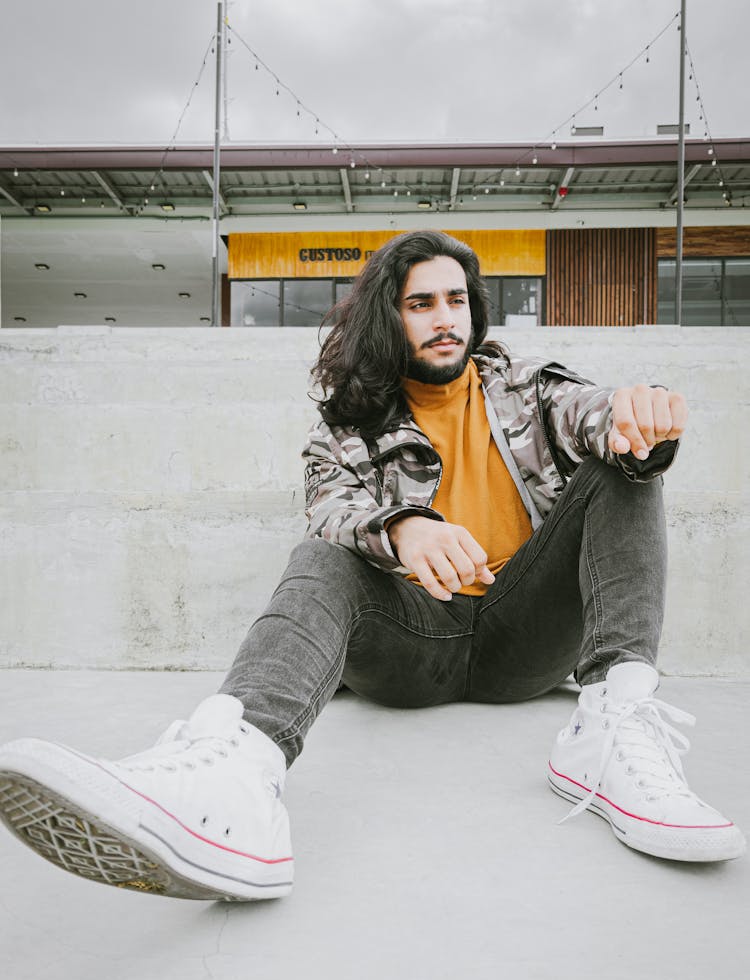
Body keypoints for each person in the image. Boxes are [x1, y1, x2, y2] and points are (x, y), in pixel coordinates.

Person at [0, 231, 744, 902]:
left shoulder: (532, 388)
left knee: (627, 464)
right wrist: (405, 528)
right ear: (391, 316)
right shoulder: (347, 426)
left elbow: (594, 411)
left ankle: (612, 728)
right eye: (422, 303)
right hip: (411, 643)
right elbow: (329, 509)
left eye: (456, 299)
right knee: (322, 554)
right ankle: (236, 778)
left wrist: (632, 416)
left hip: (527, 636)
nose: (445, 317)